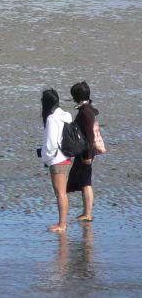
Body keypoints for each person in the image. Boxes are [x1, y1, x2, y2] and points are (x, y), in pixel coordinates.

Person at [41, 88, 73, 232]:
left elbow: (51, 143)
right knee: (62, 192)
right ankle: (62, 223)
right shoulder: (66, 115)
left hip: (57, 159)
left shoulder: (51, 118)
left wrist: (46, 157)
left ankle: (62, 224)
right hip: (66, 157)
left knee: (60, 193)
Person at [67, 81, 98, 223]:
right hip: (86, 151)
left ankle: (87, 213)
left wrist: (88, 155)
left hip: (86, 152)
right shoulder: (87, 109)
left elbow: (90, 136)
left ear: (77, 96)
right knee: (85, 182)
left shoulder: (85, 112)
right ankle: (86, 212)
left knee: (85, 183)